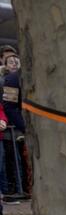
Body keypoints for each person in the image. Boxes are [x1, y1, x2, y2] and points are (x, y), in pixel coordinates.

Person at [1, 55, 27, 200]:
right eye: (11, 61)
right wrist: (23, 126)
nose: (14, 64)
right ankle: (13, 189)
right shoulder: (12, 79)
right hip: (16, 125)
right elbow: (9, 106)